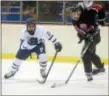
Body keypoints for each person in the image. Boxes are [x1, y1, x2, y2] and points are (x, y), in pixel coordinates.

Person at [69, 3, 105, 81]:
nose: (74, 16)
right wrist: (83, 35)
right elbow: (79, 31)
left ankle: (89, 74)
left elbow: (95, 28)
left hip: (95, 37)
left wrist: (91, 34)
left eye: (76, 13)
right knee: (90, 53)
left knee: (85, 54)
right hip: (87, 38)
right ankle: (100, 68)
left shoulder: (89, 16)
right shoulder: (74, 21)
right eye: (73, 14)